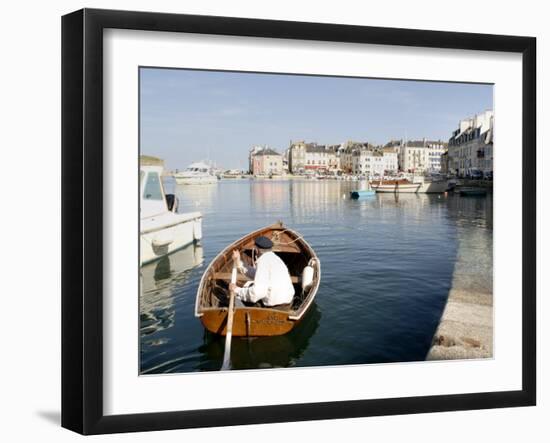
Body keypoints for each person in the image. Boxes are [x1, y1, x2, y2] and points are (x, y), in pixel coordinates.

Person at [229, 236, 295, 308]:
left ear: (256, 250)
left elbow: (256, 294)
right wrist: (238, 262)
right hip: (288, 303)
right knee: (250, 288)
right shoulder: (275, 259)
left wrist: (237, 290)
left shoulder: (263, 262)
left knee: (238, 298)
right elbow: (256, 274)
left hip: (275, 307)